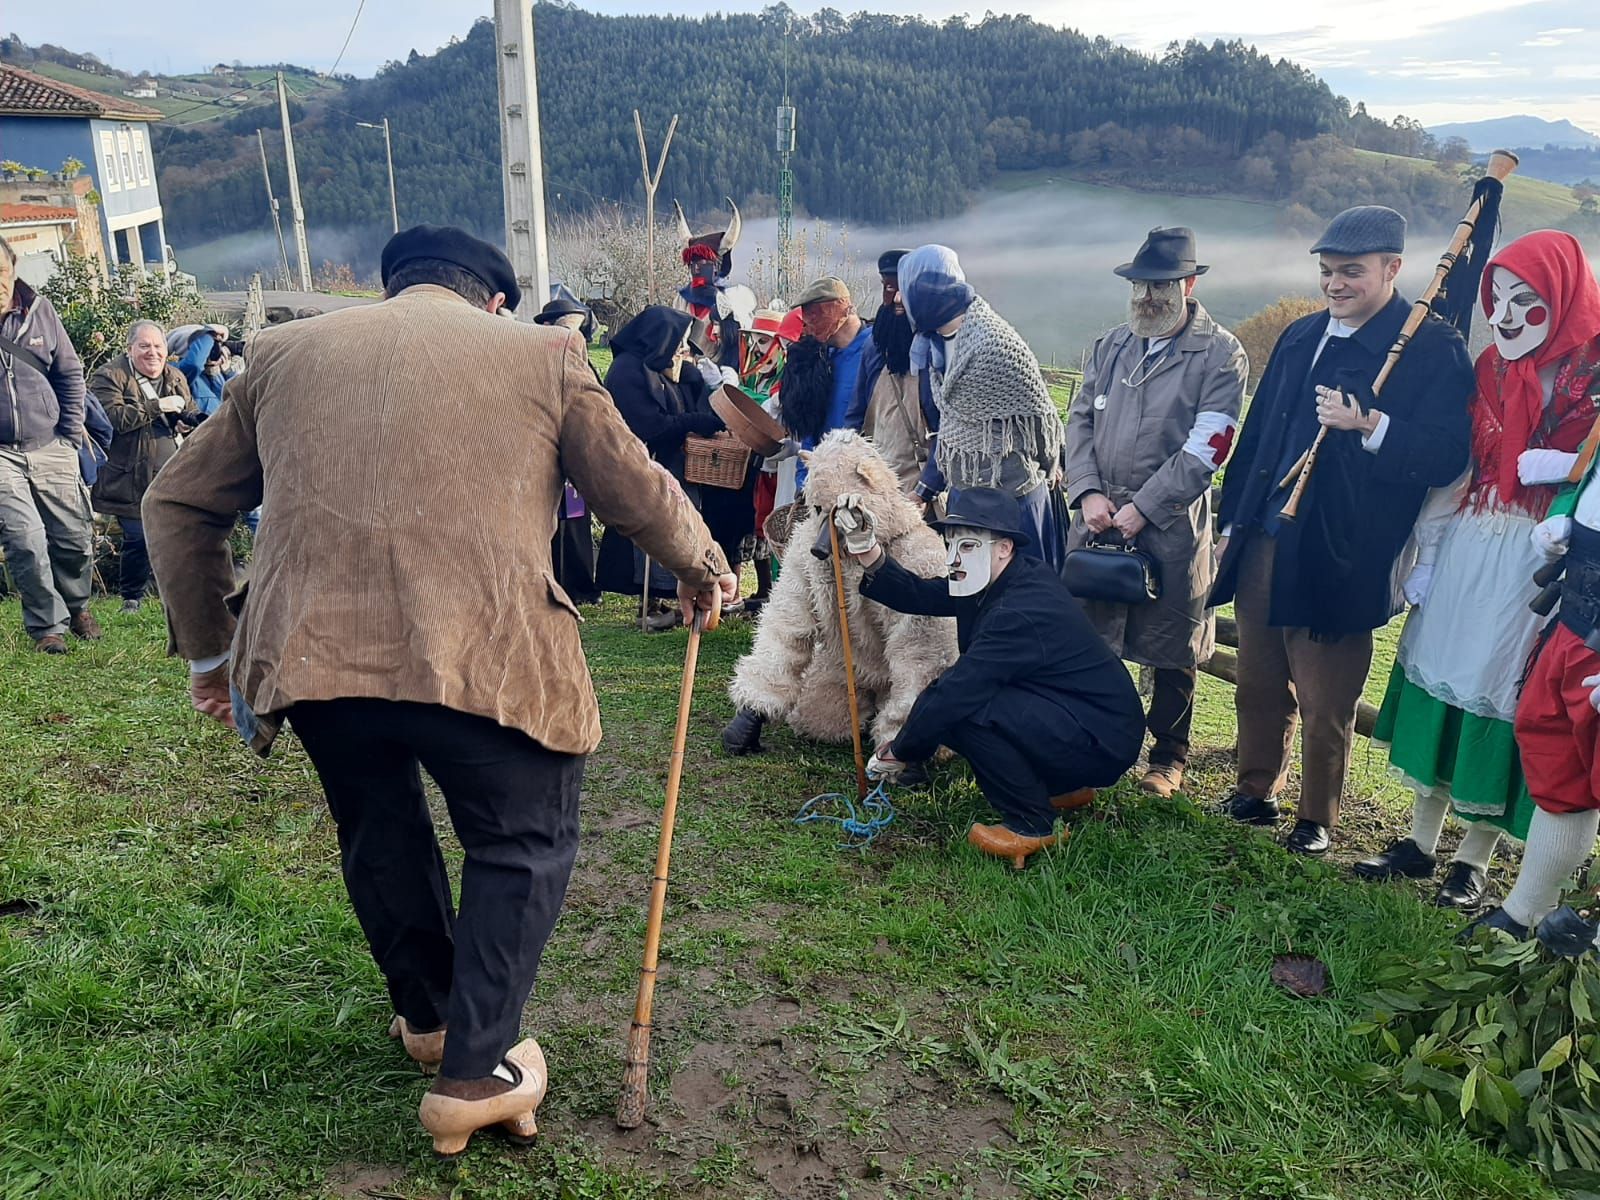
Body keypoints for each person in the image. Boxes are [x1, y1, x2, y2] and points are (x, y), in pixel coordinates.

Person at [141, 225, 737, 1155]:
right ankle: (475, 1072)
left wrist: (212, 659)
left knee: (378, 821)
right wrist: (703, 563)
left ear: (394, 290)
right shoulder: (545, 352)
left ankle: (428, 1019)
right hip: (486, 647)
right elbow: (631, 488)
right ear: (491, 300)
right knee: (524, 839)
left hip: (316, 656)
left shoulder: (284, 353)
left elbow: (175, 503)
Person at [1211, 205, 1474, 855]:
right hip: (1266, 535)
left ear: (1392, 268)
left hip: (1345, 549)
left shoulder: (1428, 347)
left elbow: (1448, 454)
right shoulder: (1300, 336)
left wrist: (1372, 427)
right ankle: (1254, 789)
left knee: (1327, 694)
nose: (1335, 284)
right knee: (1258, 678)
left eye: (1351, 272)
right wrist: (1232, 522)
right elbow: (1259, 438)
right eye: (1328, 271)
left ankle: (1317, 816)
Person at [1359, 230, 1600, 908]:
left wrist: (1570, 472)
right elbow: (1464, 465)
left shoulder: (1596, 378)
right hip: (1471, 544)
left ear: (1564, 296)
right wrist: (1429, 554)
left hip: (1541, 562)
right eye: (1499, 299)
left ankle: (1474, 857)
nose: (1507, 316)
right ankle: (1420, 841)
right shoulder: (1491, 368)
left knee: (1503, 693)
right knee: (1446, 674)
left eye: (1527, 301)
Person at [837, 486, 1144, 869]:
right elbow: (920, 593)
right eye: (950, 544)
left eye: (967, 546)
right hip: (1086, 717)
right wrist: (867, 549)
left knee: (962, 712)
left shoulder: (1018, 609)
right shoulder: (1000, 577)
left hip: (1101, 737)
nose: (953, 558)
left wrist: (900, 749)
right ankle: (1061, 787)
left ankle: (1032, 822)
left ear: (1003, 548)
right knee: (961, 706)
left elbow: (955, 692)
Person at [1065, 227, 1247, 799]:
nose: (1148, 295)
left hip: (1169, 525)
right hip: (1096, 519)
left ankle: (1168, 756)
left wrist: (1144, 507)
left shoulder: (1222, 355)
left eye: (1162, 284)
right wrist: (1088, 492)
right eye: (1141, 284)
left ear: (1189, 285)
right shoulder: (1109, 345)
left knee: (1173, 645)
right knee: (1089, 634)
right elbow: (1079, 422)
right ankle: (1093, 735)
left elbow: (1208, 446)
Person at [899, 245, 1066, 568]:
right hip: (966, 499)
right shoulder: (932, 347)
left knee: (1023, 601)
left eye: (906, 290)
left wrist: (1051, 464)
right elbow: (950, 430)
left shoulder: (995, 345)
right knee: (970, 598)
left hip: (1014, 501)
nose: (897, 300)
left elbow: (1039, 419)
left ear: (928, 293)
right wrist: (924, 490)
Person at [594, 305, 726, 631]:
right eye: (677, 341)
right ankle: (652, 601)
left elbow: (679, 399)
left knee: (679, 527)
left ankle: (671, 597)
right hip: (640, 467)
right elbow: (647, 425)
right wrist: (693, 421)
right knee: (649, 534)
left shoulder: (655, 366)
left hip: (672, 466)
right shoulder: (626, 371)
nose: (680, 349)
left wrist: (694, 382)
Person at [0, 232, 99, 652]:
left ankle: (77, 605)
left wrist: (72, 433)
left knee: (74, 537)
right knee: (24, 539)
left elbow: (70, 373)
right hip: (2, 454)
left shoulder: (40, 312)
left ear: (13, 269)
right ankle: (48, 628)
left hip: (53, 443)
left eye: (0, 271)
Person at [89, 320, 199, 614]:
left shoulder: (174, 376)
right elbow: (110, 419)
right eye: (145, 346)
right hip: (128, 475)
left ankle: (177, 595)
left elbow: (187, 410)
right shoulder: (109, 376)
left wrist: (188, 423)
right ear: (130, 349)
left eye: (158, 346)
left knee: (180, 533)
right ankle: (131, 598)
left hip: (173, 470)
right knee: (138, 536)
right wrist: (157, 406)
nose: (153, 352)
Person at [534, 296, 601, 605]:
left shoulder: (583, 363)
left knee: (576, 526)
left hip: (577, 454)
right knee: (550, 526)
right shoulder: (537, 362)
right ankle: (555, 584)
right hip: (545, 455)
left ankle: (581, 586)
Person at [858, 249, 929, 492]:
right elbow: (858, 408)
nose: (896, 299)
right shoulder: (875, 346)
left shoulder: (935, 349)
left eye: (901, 288)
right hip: (877, 478)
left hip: (922, 481)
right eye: (888, 288)